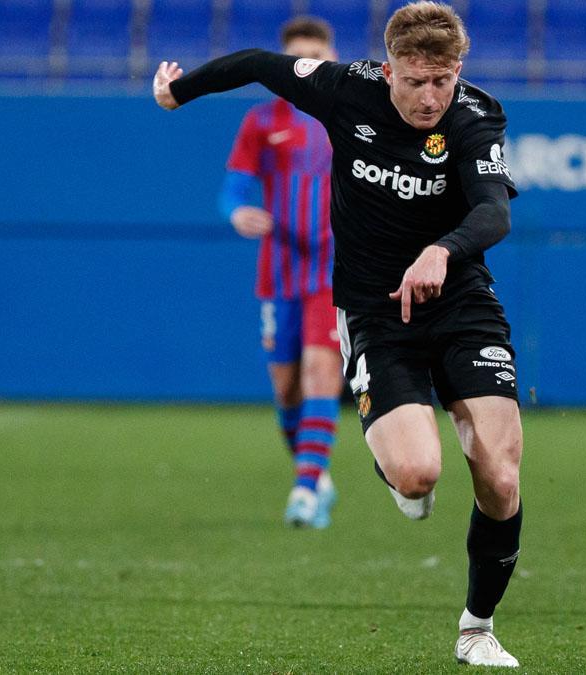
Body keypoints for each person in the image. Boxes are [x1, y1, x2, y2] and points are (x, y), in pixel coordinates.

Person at [154, 2, 525, 667]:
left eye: (442, 80)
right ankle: (396, 464)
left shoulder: (475, 116)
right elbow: (260, 65)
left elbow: (493, 209)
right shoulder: (343, 88)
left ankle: (476, 627)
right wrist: (179, 90)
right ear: (389, 70)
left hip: (462, 303)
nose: (430, 96)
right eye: (415, 81)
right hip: (375, 313)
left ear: (458, 70)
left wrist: (443, 249)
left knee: (499, 475)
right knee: (417, 476)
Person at [220, 16, 343, 530]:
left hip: (337, 268)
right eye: (298, 58)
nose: (307, 66)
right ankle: (313, 470)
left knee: (320, 375)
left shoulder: (355, 118)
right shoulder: (261, 121)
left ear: (332, 57)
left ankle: (305, 488)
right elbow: (234, 185)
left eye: (316, 55)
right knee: (286, 391)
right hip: (279, 269)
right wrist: (235, 211)